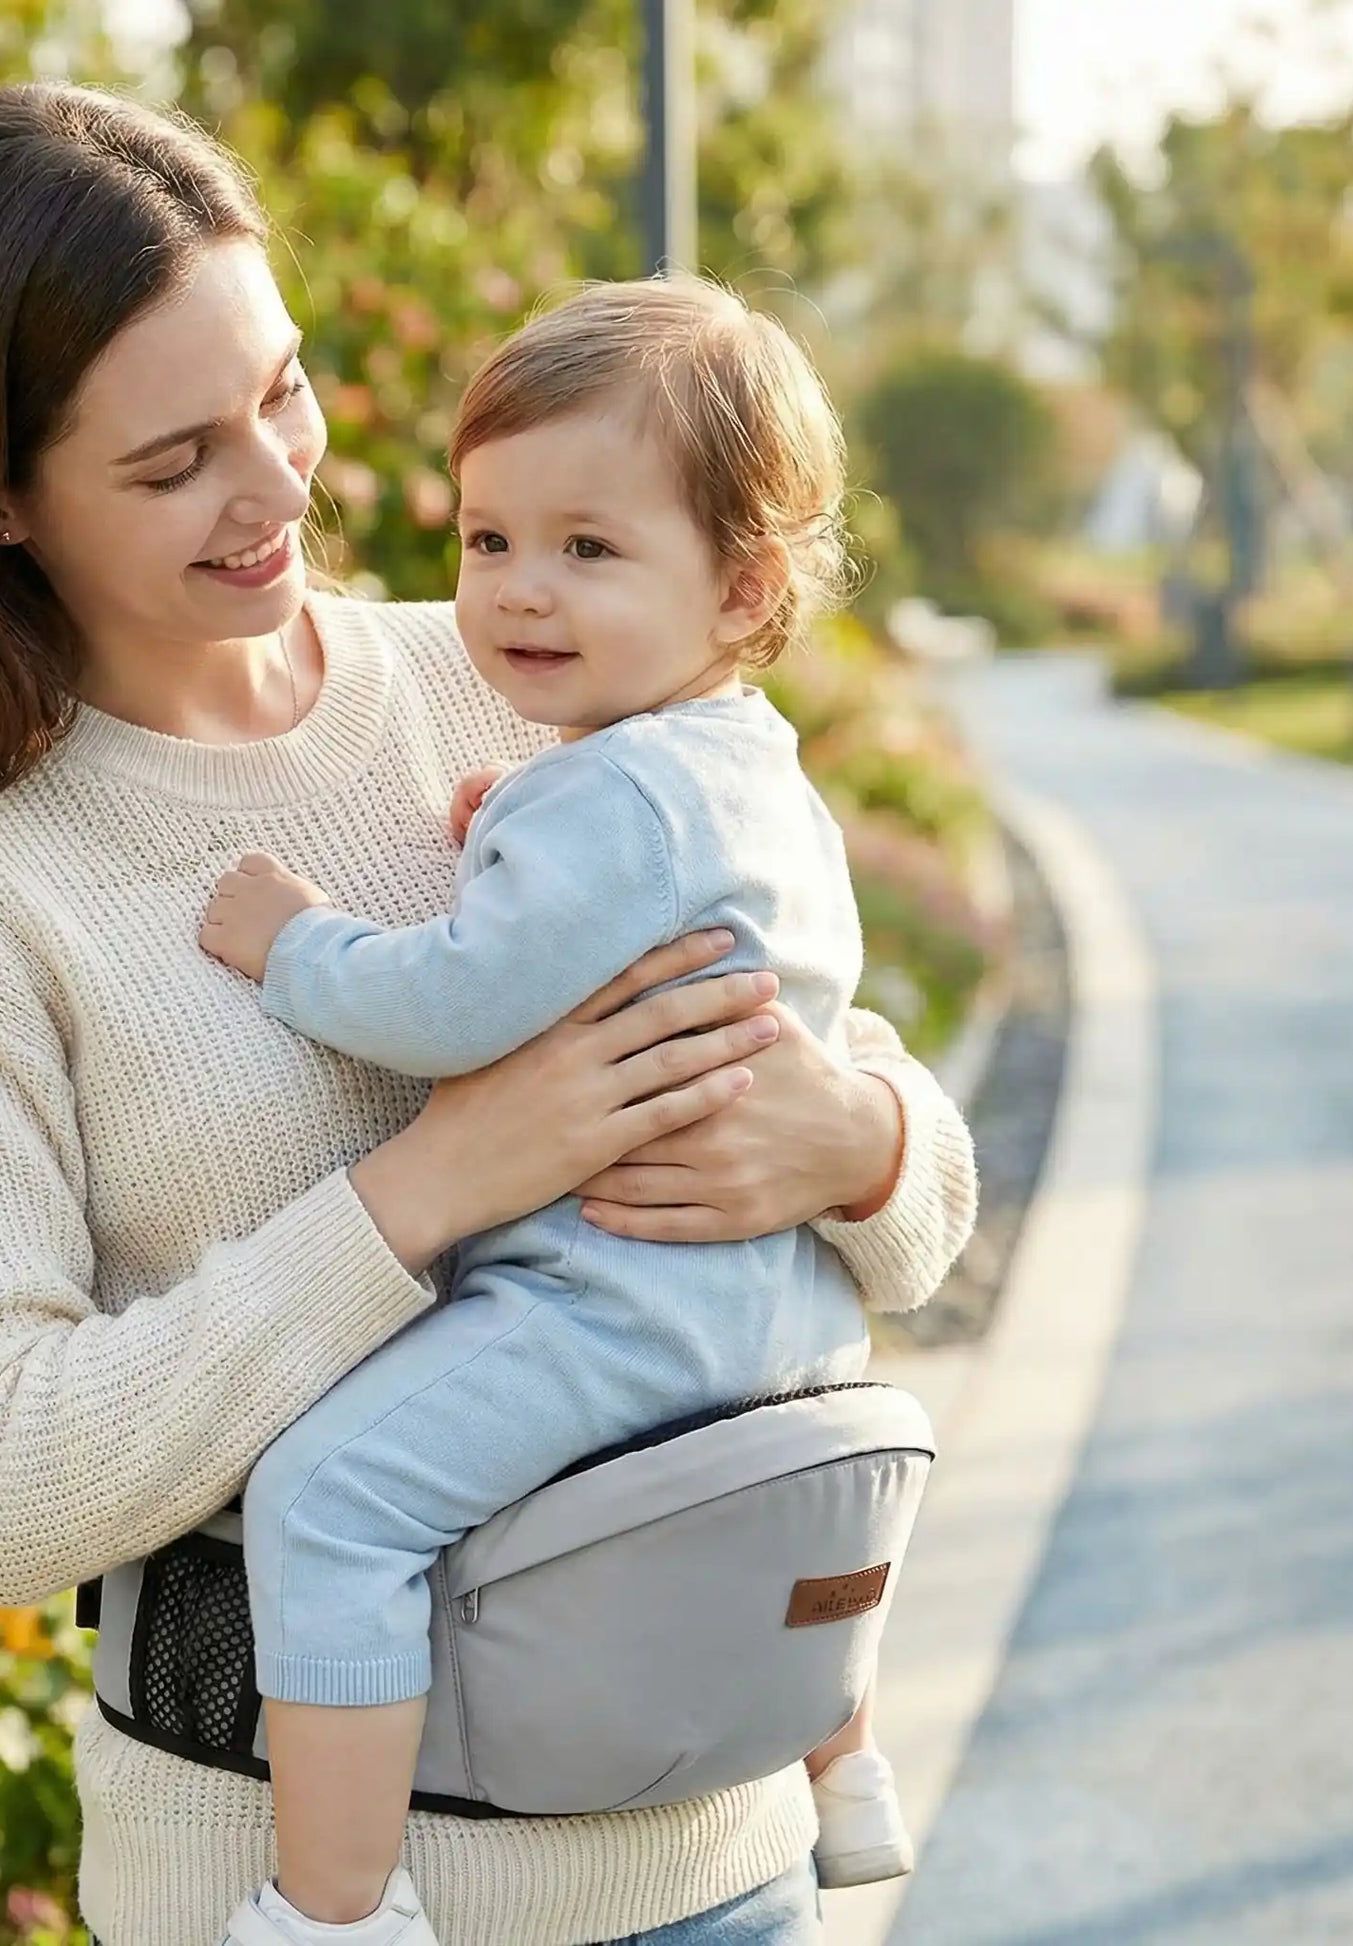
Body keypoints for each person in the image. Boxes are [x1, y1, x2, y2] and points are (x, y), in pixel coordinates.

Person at [0, 83, 977, 1946]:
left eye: (284, 390)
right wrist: (433, 1184)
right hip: (276, 1892)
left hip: (716, 1869)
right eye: (176, 461)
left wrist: (859, 1139)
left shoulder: (507, 672)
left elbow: (876, 1145)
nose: (281, 487)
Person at [200, 278, 914, 1946]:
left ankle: (333, 1909)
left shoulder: (618, 794)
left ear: (741, 587)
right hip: (784, 1307)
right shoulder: (744, 762)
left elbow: (455, 1001)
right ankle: (845, 1764)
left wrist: (294, 943)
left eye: (588, 548)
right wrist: (522, 836)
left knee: (331, 1499)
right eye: (486, 538)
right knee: (765, 1498)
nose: (518, 588)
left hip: (619, 1298)